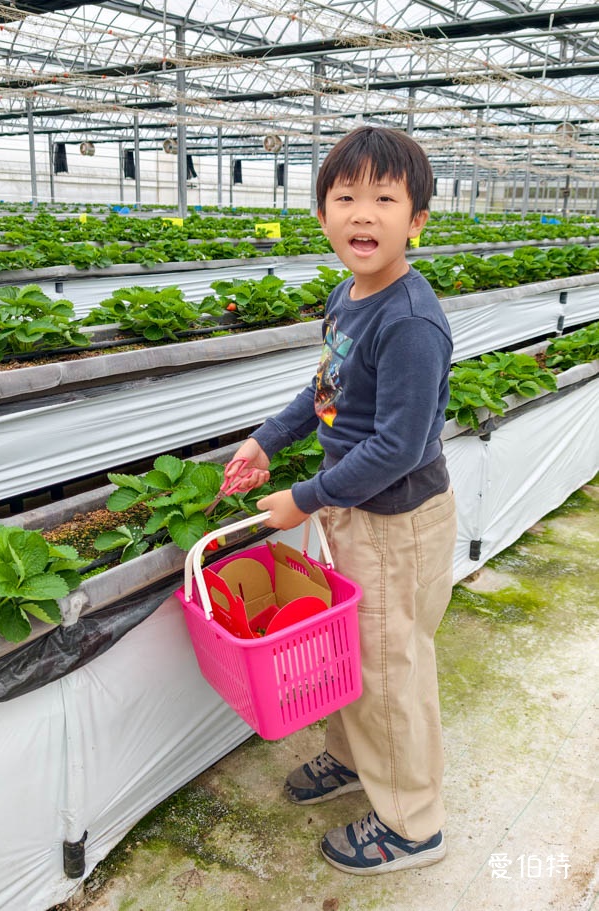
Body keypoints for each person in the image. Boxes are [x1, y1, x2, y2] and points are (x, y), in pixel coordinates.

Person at [224, 126, 458, 876]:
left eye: (384, 199)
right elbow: (324, 391)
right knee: (351, 652)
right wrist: (266, 440)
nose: (364, 213)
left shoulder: (411, 321)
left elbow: (397, 446)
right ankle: (355, 758)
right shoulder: (349, 295)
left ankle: (413, 824)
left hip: (394, 520)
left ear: (416, 220)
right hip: (351, 510)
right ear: (321, 215)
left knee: (391, 669)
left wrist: (305, 496)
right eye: (346, 196)